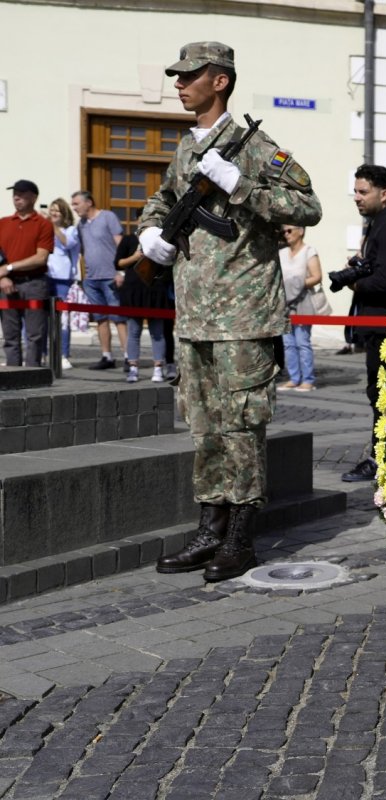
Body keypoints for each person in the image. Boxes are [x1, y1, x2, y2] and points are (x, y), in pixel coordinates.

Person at [140, 41, 322, 582]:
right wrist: (150, 230)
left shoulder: (257, 147)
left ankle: (241, 539)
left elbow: (308, 206)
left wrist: (240, 185)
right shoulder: (185, 147)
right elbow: (162, 199)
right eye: (177, 77)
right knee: (205, 428)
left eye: (189, 76)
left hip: (242, 313)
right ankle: (209, 529)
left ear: (219, 81)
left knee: (242, 429)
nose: (178, 84)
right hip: (194, 313)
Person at [340, 164, 386, 482]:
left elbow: (385, 282)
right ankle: (383, 456)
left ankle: (384, 459)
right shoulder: (377, 225)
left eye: (362, 191)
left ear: (383, 194)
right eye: (355, 191)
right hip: (376, 328)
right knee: (378, 392)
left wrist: (352, 280)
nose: (356, 197)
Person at [0, 180, 55, 367]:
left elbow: (41, 258)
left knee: (35, 335)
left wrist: (9, 268)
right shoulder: (3, 223)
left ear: (33, 197)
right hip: (7, 285)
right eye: (14, 193)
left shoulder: (43, 224)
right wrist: (4, 276)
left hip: (34, 283)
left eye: (22, 193)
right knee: (10, 335)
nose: (16, 197)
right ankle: (12, 377)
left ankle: (32, 376)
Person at [73, 190, 127, 369]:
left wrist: (121, 271)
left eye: (76, 204)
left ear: (88, 202)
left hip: (111, 277)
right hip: (91, 279)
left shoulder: (108, 217)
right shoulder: (80, 225)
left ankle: (129, 357)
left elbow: (120, 244)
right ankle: (107, 356)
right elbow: (81, 251)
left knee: (118, 318)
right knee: (100, 318)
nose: (74, 208)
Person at [112, 233, 169, 383]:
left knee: (157, 332)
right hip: (134, 290)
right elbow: (118, 263)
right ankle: (133, 368)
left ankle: (158, 368)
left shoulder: (160, 238)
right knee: (134, 331)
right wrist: (135, 257)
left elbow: (169, 261)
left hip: (155, 289)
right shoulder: (129, 239)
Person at [278, 225, 327, 392]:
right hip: (284, 303)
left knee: (302, 342)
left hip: (302, 301)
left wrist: (295, 285)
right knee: (288, 343)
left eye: (289, 230)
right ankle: (294, 378)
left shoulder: (309, 251)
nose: (286, 234)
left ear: (301, 231)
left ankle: (308, 379)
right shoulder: (282, 253)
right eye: (284, 231)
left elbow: (317, 276)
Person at [45, 197, 80, 370]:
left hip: (63, 277)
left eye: (57, 211)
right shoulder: (45, 228)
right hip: (45, 275)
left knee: (62, 318)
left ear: (64, 213)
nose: (53, 213)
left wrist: (53, 226)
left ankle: (63, 354)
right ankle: (43, 353)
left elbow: (68, 243)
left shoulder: (71, 230)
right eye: (52, 210)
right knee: (42, 318)